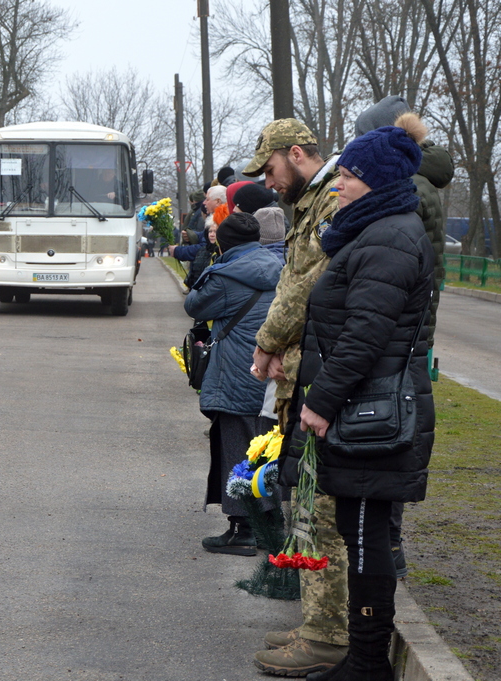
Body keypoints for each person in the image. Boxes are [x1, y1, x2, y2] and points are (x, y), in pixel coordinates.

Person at [283, 114, 435, 681]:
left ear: (377, 181)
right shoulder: (373, 232)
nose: (338, 184)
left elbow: (365, 336)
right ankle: (362, 658)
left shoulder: (391, 237)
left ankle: (369, 665)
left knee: (367, 537)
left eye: (348, 176)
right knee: (359, 531)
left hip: (372, 419)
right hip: (364, 414)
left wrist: (320, 401)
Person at [245, 119, 347, 677]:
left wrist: (268, 341)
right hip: (306, 363)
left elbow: (307, 285)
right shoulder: (312, 202)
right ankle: (317, 621)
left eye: (270, 166)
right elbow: (292, 279)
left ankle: (327, 632)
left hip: (323, 369)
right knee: (306, 501)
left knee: (319, 506)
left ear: (297, 154)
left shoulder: (328, 202)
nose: (267, 178)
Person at [352, 97, 454, 580]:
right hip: (415, 323)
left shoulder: (408, 186)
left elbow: (396, 269)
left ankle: (388, 550)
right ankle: (388, 545)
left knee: (390, 431)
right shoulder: (423, 181)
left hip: (403, 327)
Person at [184, 213, 283, 553]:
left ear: (223, 242)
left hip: (236, 377)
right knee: (267, 449)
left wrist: (213, 265)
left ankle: (242, 530)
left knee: (236, 450)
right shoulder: (281, 268)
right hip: (272, 375)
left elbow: (193, 304)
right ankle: (270, 524)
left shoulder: (225, 275)